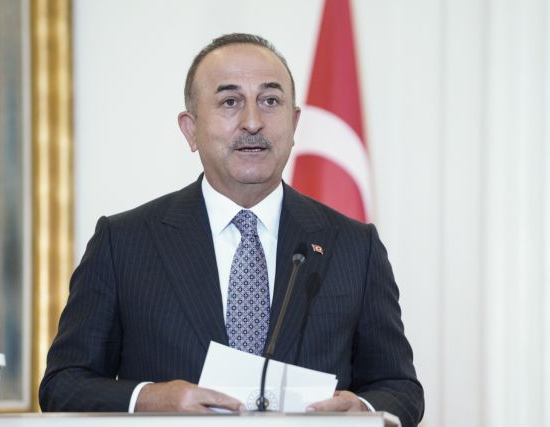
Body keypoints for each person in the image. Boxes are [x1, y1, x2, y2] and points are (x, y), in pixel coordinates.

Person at [40, 33, 424, 426]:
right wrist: (149, 399)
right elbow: (63, 386)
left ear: (294, 124)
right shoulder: (123, 242)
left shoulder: (354, 246)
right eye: (230, 102)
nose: (253, 122)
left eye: (270, 101)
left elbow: (400, 388)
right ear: (190, 129)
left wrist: (363, 410)